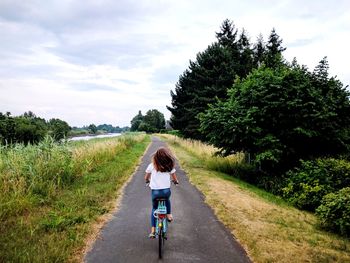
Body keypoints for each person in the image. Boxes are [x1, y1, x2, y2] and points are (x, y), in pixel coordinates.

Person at [145, 147, 179, 238]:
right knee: (167, 199)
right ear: (167, 157)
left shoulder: (152, 165)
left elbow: (146, 177)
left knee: (154, 209)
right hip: (166, 191)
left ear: (156, 157)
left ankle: (152, 231)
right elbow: (174, 178)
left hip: (155, 193)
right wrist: (176, 182)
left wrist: (147, 180)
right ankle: (168, 214)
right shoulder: (169, 166)